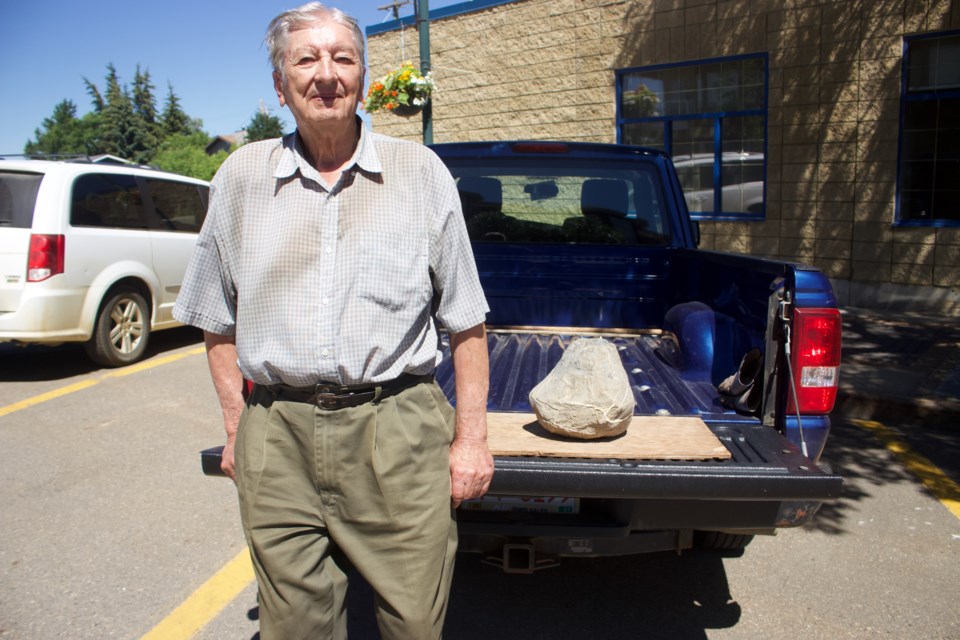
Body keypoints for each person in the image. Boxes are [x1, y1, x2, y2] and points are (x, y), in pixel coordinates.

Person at [173, 3, 494, 638]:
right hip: (278, 431)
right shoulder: (240, 177)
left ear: (363, 76)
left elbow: (466, 320)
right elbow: (216, 319)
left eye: (343, 58)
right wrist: (238, 430)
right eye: (306, 59)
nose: (326, 74)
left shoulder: (420, 174)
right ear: (279, 83)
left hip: (396, 428)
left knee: (413, 622)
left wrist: (472, 440)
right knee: (294, 626)